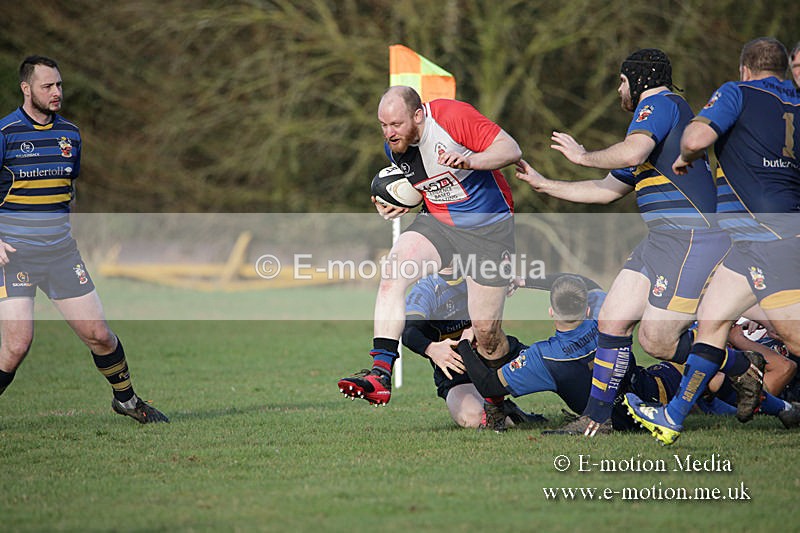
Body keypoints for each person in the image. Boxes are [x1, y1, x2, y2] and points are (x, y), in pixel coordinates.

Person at [515, 49, 757, 437]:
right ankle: (597, 420)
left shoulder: (659, 105)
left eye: (622, 82)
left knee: (658, 341)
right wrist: (546, 184)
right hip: (661, 240)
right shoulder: (650, 131)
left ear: (639, 80)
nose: (619, 90)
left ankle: (742, 368)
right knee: (612, 319)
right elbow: (607, 190)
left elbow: (634, 151)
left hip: (690, 238)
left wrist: (580, 155)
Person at [626, 37, 800, 445]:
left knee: (793, 337)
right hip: (752, 240)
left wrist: (686, 156)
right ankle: (672, 418)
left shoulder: (735, 92)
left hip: (768, 235)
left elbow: (695, 138)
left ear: (745, 69)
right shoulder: (793, 103)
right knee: (713, 318)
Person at [0, 56, 168, 423]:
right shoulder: (5, 134)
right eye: (47, 86)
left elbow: (66, 191)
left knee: (99, 334)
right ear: (26, 89)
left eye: (59, 85)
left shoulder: (70, 135)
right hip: (15, 258)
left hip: (61, 255)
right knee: (16, 346)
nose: (56, 92)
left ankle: (126, 401)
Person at [337, 86, 522, 414]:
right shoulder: (396, 148)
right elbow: (431, 185)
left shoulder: (453, 117)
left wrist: (472, 160)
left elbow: (511, 149)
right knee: (393, 273)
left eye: (395, 124)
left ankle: (496, 403)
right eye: (383, 125)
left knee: (486, 331)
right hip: (439, 223)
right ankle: (381, 373)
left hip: (487, 229)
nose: (389, 133)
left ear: (418, 115)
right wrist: (398, 203)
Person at [456, 275, 800, 433]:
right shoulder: (605, 318)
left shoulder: (543, 358)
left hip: (621, 417)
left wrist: (463, 344)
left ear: (549, 312)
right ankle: (780, 405)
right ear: (586, 303)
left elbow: (488, 383)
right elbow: (585, 283)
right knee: (704, 362)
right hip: (651, 390)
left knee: (711, 377)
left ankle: (747, 386)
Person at [402, 270, 545, 429]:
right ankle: (510, 413)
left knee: (552, 366)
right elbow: (409, 332)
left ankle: (578, 410)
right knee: (474, 419)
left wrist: (507, 281)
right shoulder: (426, 289)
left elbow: (507, 275)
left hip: (495, 355)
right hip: (457, 368)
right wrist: (431, 349)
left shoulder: (479, 273)